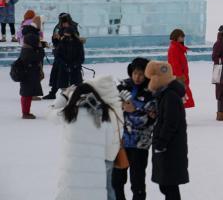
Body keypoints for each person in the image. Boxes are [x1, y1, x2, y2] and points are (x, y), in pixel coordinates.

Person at [53, 77, 122, 200]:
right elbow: (109, 142)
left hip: (72, 172)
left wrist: (64, 97)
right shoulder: (104, 117)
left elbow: (49, 112)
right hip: (95, 171)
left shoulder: (68, 114)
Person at [145, 62, 189, 200]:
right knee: (166, 184)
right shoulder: (165, 94)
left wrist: (161, 143)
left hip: (170, 148)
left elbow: (170, 123)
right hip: (168, 147)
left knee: (169, 185)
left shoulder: (170, 96)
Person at [113, 58, 155, 200]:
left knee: (137, 183)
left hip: (139, 145)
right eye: (135, 73)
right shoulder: (122, 86)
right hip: (120, 143)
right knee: (116, 181)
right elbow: (111, 110)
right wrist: (122, 107)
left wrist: (133, 108)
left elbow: (150, 119)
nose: (137, 77)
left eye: (141, 74)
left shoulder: (151, 90)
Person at [15, 32, 44, 118]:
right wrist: (40, 47)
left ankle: (26, 112)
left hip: (28, 75)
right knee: (26, 95)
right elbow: (40, 56)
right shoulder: (28, 51)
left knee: (27, 94)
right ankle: (25, 113)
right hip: (28, 76)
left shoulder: (27, 48)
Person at [51, 22, 85, 95]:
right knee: (64, 90)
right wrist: (64, 64)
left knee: (75, 90)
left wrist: (75, 65)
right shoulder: (62, 42)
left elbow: (81, 57)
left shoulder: (78, 43)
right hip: (63, 69)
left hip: (75, 70)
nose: (66, 37)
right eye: (65, 35)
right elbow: (58, 56)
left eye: (68, 36)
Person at [167, 29, 195, 109]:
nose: (183, 38)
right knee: (181, 97)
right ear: (176, 37)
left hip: (182, 76)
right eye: (181, 36)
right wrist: (180, 76)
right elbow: (175, 64)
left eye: (183, 36)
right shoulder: (174, 48)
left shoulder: (179, 48)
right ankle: (177, 117)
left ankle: (179, 116)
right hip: (178, 77)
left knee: (182, 98)